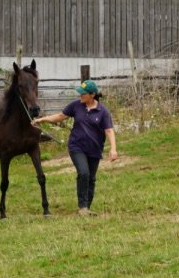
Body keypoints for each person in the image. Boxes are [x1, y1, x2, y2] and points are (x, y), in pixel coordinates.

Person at [32, 80, 118, 215]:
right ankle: (82, 207)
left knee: (91, 178)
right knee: (84, 173)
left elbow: (109, 130)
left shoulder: (103, 111)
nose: (80, 96)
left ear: (92, 95)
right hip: (76, 147)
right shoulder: (76, 106)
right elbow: (60, 116)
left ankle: (87, 207)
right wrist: (42, 120)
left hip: (94, 149)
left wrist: (113, 149)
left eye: (83, 94)